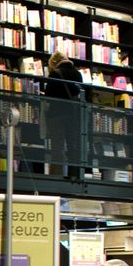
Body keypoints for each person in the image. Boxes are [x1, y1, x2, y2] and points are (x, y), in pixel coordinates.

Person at [43, 51, 85, 179]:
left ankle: (57, 176)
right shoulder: (78, 74)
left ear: (54, 63)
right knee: (73, 146)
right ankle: (75, 175)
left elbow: (49, 96)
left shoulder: (55, 74)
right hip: (73, 115)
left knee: (58, 147)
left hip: (57, 115)